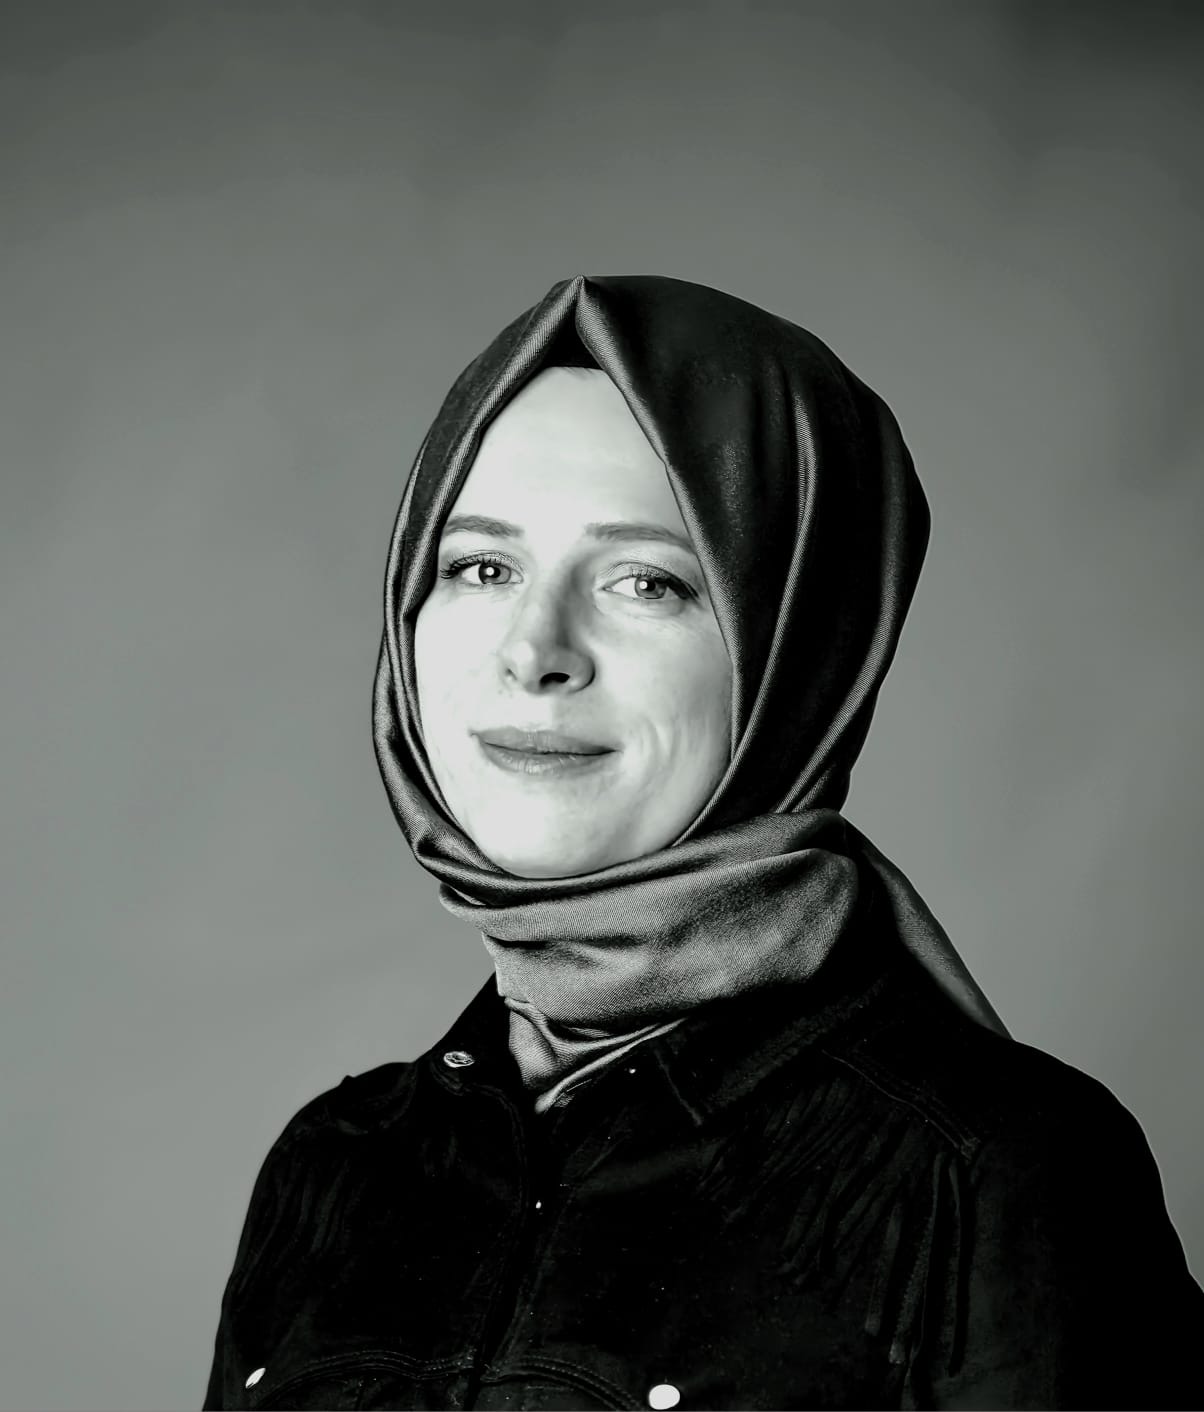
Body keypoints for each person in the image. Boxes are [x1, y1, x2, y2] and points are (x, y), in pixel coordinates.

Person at [202, 275, 1203, 1411]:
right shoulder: (332, 1166)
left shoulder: (989, 1171)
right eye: (480, 566)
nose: (535, 650)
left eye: (647, 581)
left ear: (797, 648)